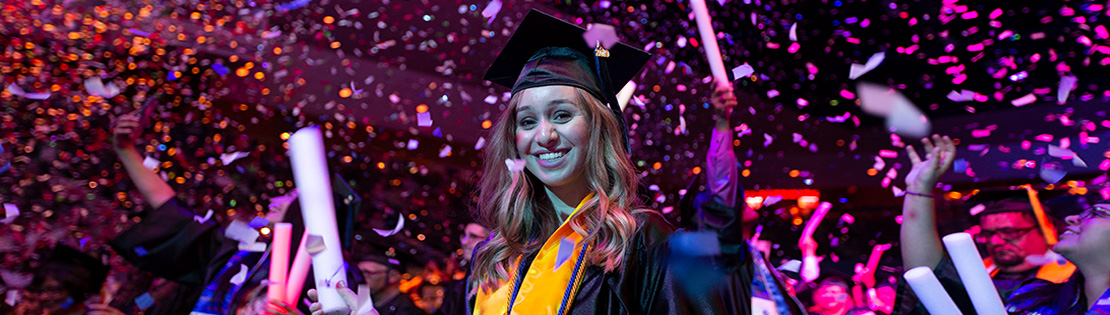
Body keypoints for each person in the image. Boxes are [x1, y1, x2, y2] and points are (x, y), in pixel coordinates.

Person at [463, 8, 752, 314]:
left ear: (597, 127)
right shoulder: (496, 256)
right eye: (527, 121)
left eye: (562, 115)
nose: (544, 135)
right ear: (513, 139)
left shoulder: (642, 243)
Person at [894, 135, 1078, 314]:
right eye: (989, 234)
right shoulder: (975, 274)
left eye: (1009, 232)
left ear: (1044, 231)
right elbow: (926, 272)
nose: (997, 241)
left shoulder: (1072, 278)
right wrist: (919, 189)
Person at [350, 235, 423, 315]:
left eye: (369, 273)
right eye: (358, 272)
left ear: (393, 276)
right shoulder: (359, 305)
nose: (359, 278)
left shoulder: (410, 312)